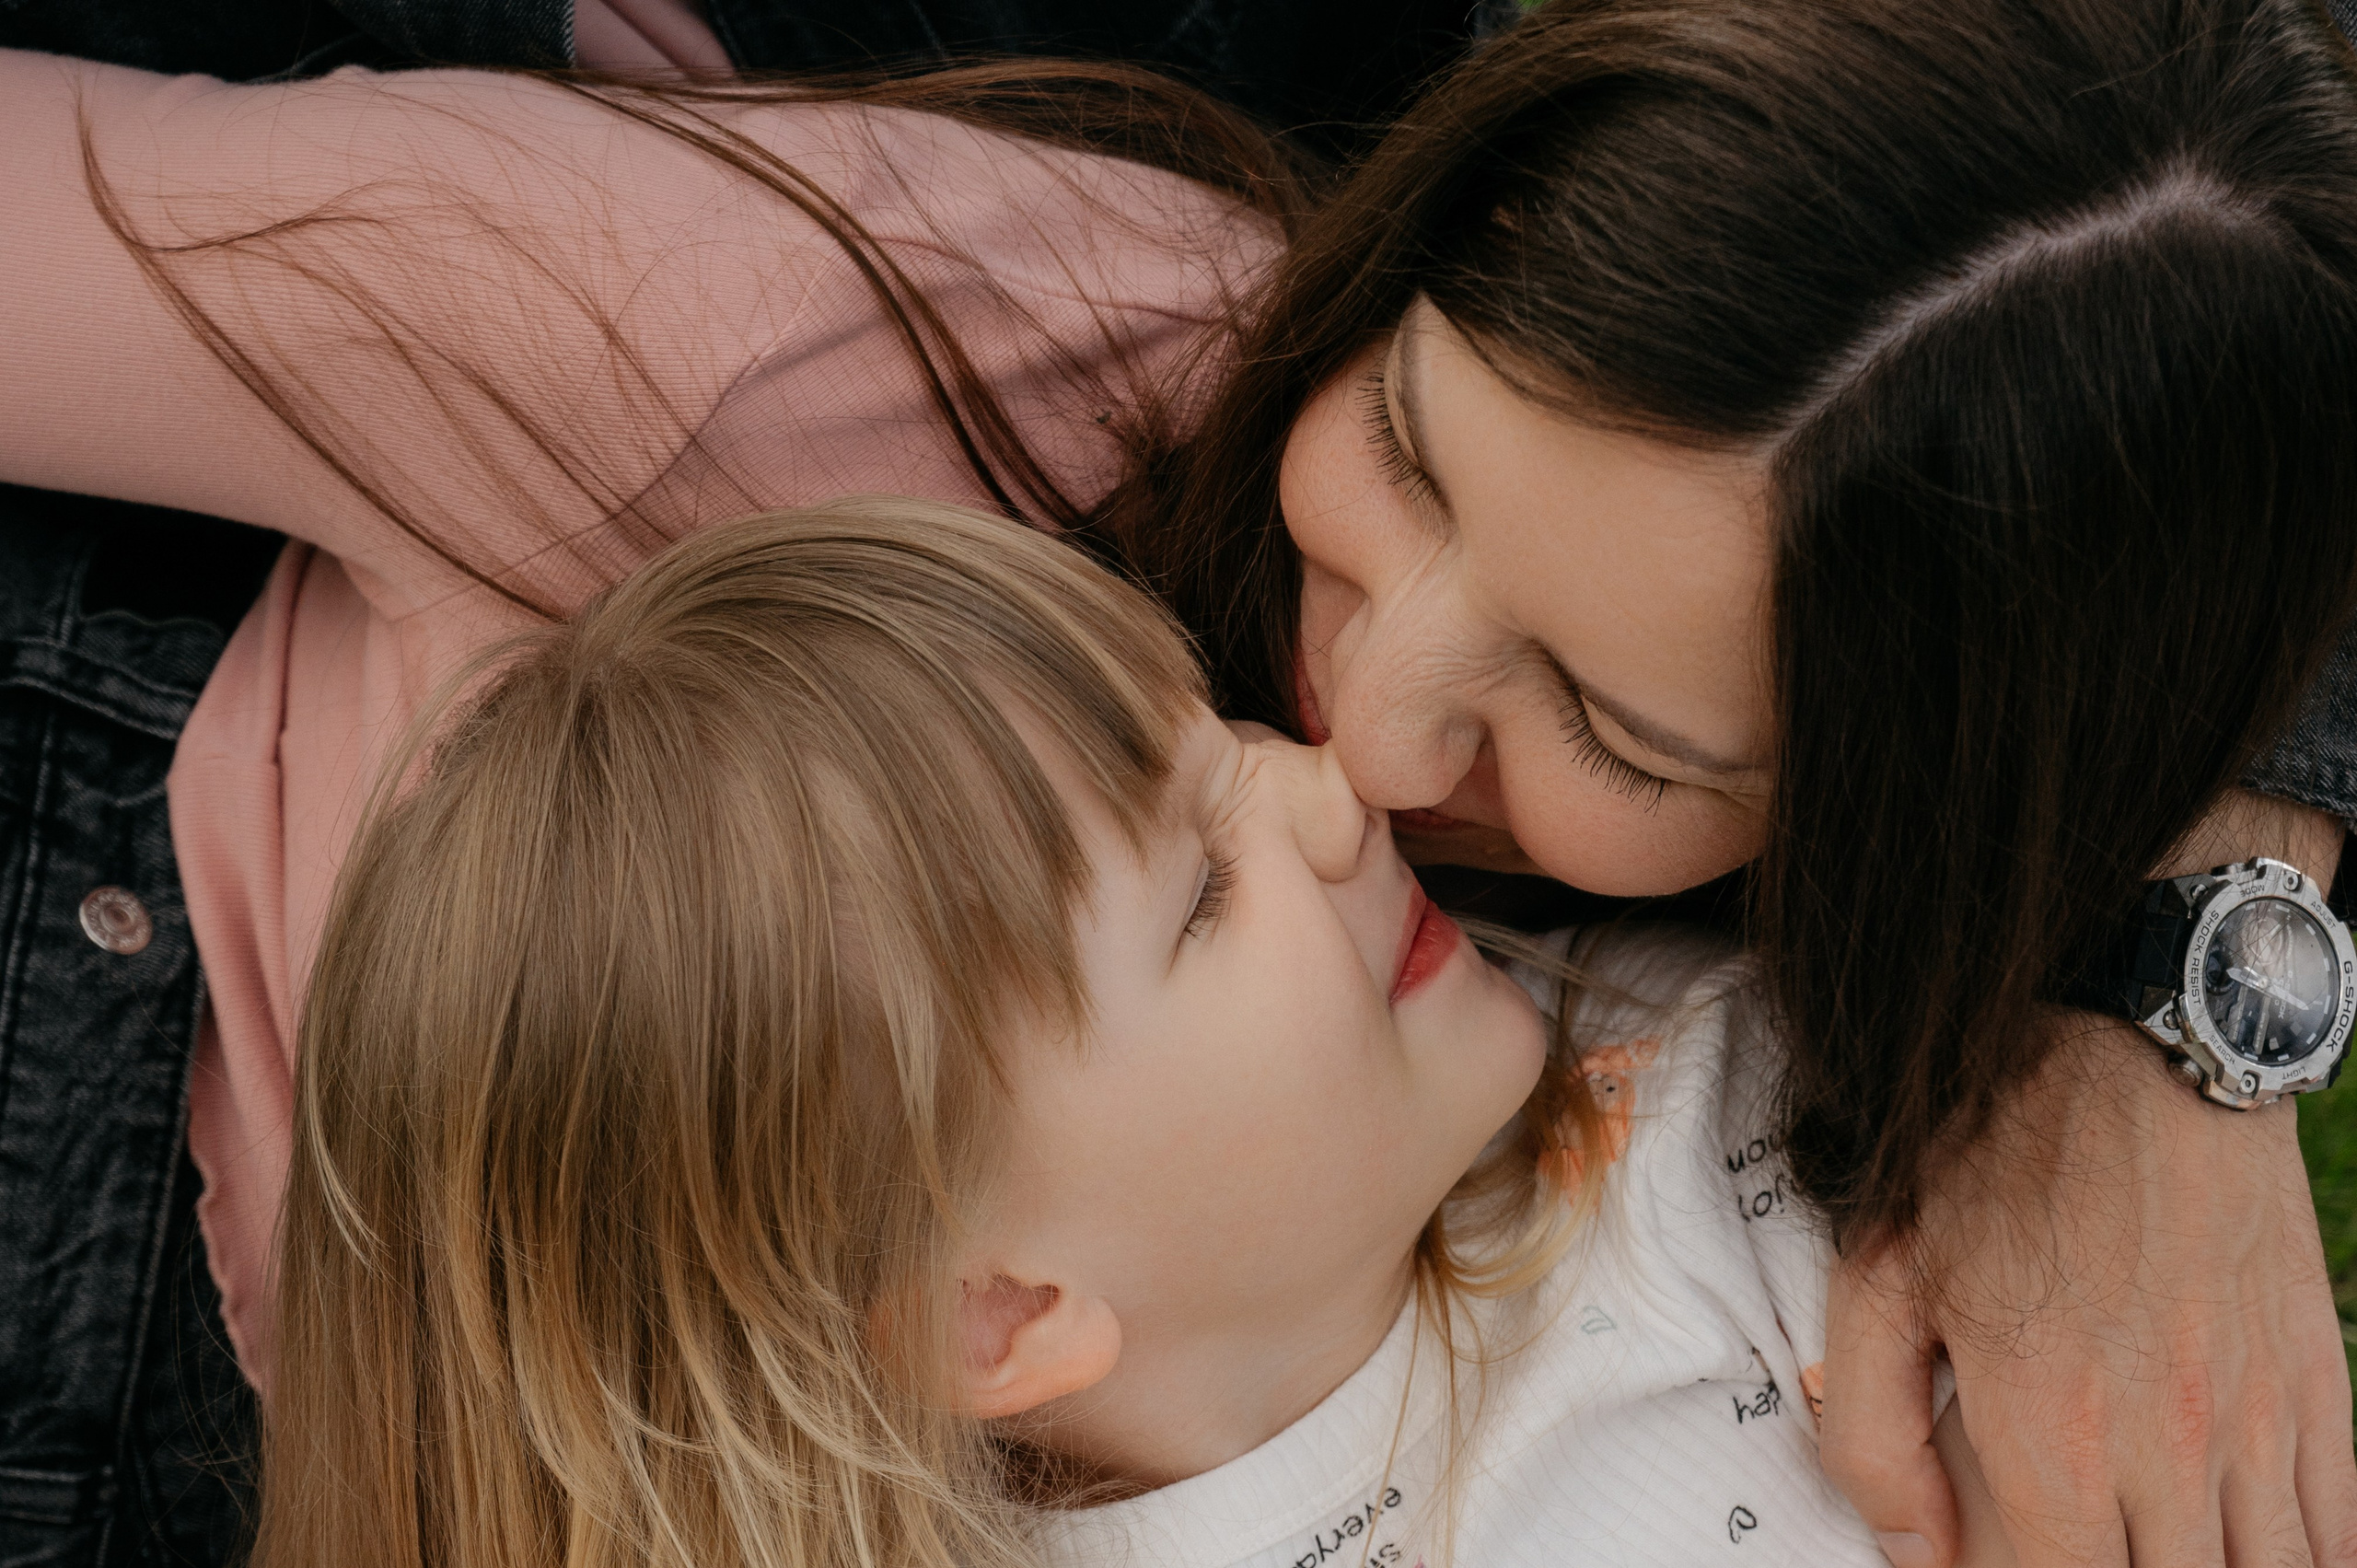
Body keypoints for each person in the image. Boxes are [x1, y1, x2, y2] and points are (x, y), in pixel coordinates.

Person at [3, 0, 2355, 1562]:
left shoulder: (1679, 1085)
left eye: (1613, 730)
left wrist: (2182, 992)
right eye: (1409, 462)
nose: (1363, 748)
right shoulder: (763, 341)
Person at [258, 494, 1964, 1568]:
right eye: (1205, 893)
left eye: (1226, 734)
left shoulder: (1708, 1107)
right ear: (999, 1312)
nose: (1333, 793)